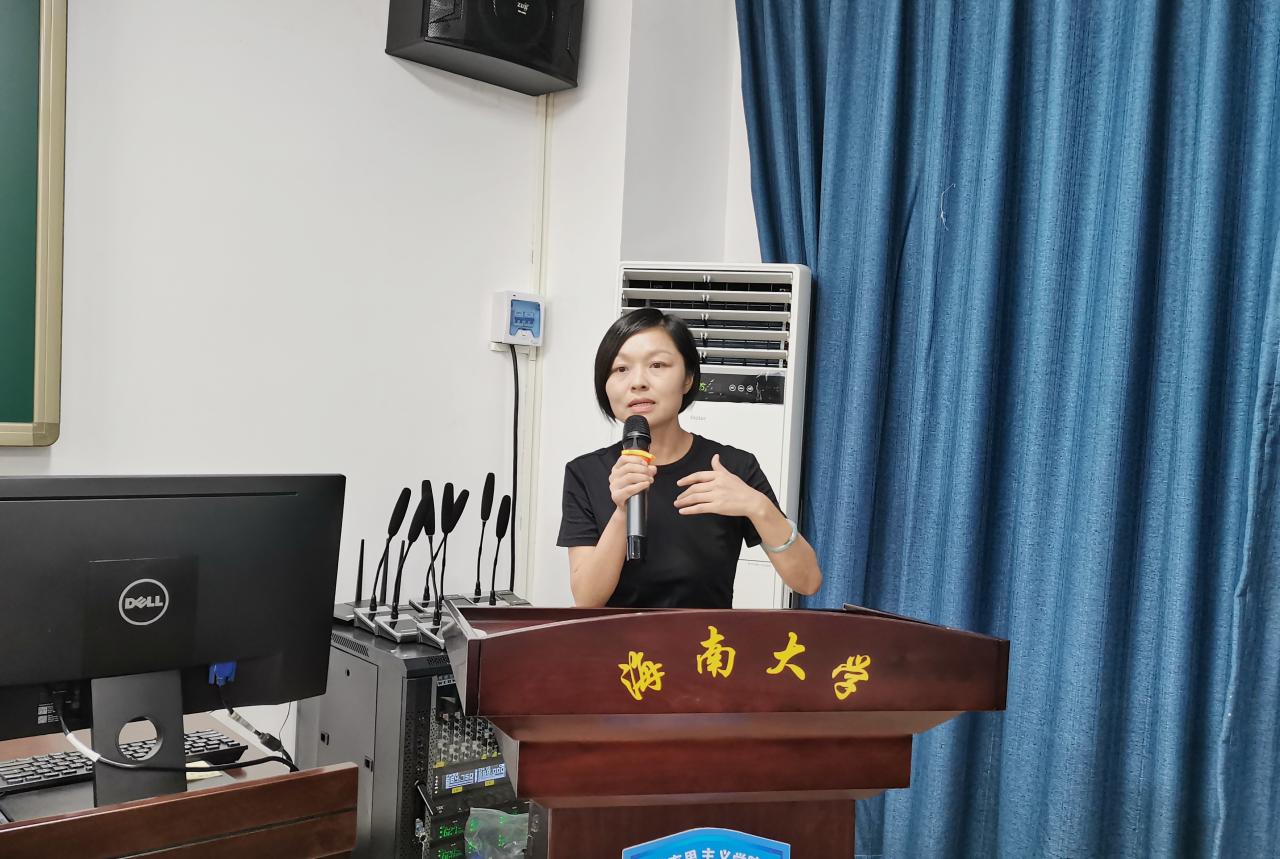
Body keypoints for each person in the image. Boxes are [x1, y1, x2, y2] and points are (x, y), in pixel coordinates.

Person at [558, 307, 822, 608]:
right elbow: (587, 601)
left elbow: (807, 581)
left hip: (706, 639)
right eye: (621, 369)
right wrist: (622, 512)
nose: (638, 382)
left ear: (687, 378)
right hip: (618, 641)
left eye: (657, 365)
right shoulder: (585, 473)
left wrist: (757, 506)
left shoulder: (732, 468)